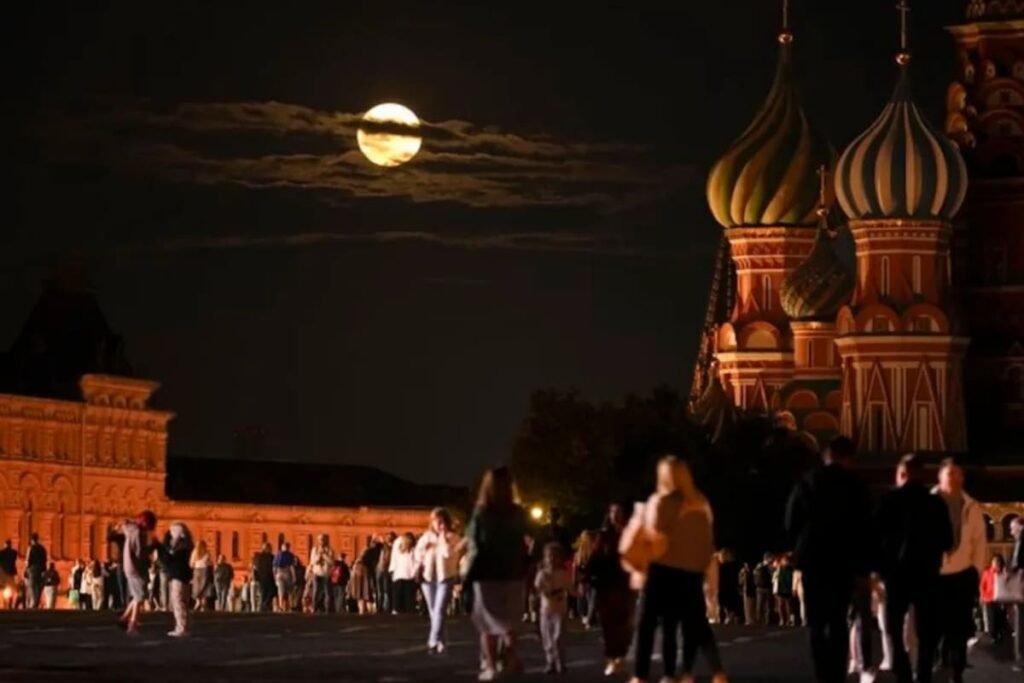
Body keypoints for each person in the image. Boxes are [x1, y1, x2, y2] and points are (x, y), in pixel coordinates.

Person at [631, 456, 727, 683]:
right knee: (690, 623)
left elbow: (650, 537)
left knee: (652, 623)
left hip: (663, 569)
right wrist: (710, 581)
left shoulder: (662, 501)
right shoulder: (699, 502)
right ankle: (687, 672)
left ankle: (649, 674)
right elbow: (706, 544)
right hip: (688, 572)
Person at [785, 436, 872, 683]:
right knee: (837, 620)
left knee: (815, 622)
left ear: (828, 455)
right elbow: (866, 527)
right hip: (844, 561)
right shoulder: (856, 485)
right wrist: (864, 566)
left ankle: (822, 674)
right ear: (849, 458)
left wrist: (798, 547)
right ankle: (836, 675)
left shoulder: (808, 481)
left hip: (813, 559)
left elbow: (791, 520)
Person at [876, 454, 953, 683]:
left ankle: (903, 673)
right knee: (927, 630)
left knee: (894, 627)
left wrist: (878, 567)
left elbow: (875, 537)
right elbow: (948, 541)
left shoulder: (888, 500)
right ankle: (924, 673)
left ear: (902, 474)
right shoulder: (935, 503)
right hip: (927, 573)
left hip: (896, 573)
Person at [463, 466, 530, 681]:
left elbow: (475, 544)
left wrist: (467, 576)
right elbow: (527, 540)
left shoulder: (482, 513)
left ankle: (491, 666)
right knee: (510, 623)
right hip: (513, 573)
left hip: (487, 573)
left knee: (487, 625)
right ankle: (511, 659)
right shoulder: (517, 513)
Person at [932, 458, 987, 683]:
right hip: (935, 573)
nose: (954, 478)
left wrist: (977, 572)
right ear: (940, 476)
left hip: (962, 573)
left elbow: (979, 542)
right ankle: (939, 663)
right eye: (950, 473)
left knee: (960, 626)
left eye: (958, 474)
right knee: (935, 624)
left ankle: (957, 669)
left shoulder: (971, 506)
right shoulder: (929, 502)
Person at [585, 503, 633, 676]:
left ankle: (621, 654)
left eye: (620, 512)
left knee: (625, 621)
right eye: (613, 512)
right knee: (609, 622)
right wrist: (589, 576)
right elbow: (595, 557)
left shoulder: (630, 533)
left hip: (626, 582)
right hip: (608, 583)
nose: (617, 515)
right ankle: (611, 656)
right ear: (609, 515)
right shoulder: (604, 536)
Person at [415, 507, 461, 654]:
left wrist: (443, 539)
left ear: (446, 522)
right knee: (433, 612)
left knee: (440, 610)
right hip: (427, 578)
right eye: (435, 521)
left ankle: (433, 641)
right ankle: (442, 643)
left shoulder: (453, 537)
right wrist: (425, 548)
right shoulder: (426, 536)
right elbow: (417, 554)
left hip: (445, 578)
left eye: (441, 521)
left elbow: (448, 554)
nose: (438, 524)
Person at [116, 510, 157, 634]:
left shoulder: (131, 530)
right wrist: (153, 547)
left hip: (130, 567)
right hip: (136, 567)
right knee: (139, 597)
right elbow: (140, 553)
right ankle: (132, 625)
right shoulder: (138, 533)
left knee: (137, 595)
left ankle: (124, 618)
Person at [535, 542, 571, 674]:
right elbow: (537, 588)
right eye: (549, 556)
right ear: (545, 558)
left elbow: (570, 588)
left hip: (560, 610)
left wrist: (577, 591)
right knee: (547, 637)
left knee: (558, 637)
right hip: (546, 610)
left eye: (556, 556)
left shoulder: (563, 574)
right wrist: (542, 591)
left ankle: (560, 661)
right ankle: (550, 662)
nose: (552, 559)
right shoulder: (542, 574)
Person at [157, 522, 194, 637]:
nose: (171, 534)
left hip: (178, 576)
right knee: (182, 602)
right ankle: (184, 626)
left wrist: (161, 549)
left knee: (178, 601)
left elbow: (169, 560)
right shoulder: (186, 544)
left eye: (173, 531)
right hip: (183, 576)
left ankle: (181, 628)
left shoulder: (179, 546)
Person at [1007, 516, 1023, 672]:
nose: (1011, 532)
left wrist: (1009, 574)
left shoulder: (1021, 542)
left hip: (1021, 588)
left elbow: (1016, 564)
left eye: (1013, 528)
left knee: (1020, 623)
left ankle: (1020, 659)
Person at [389, 533, 417, 614]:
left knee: (399, 597)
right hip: (406, 576)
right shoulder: (411, 549)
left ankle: (397, 610)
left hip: (401, 575)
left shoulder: (400, 546)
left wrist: (392, 571)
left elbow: (393, 559)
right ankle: (402, 611)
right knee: (407, 599)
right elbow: (414, 563)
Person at [979, 555, 1005, 641]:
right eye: (994, 561)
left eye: (998, 561)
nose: (996, 563)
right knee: (991, 617)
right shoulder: (987, 573)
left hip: (1000, 598)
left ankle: (999, 633)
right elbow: (982, 585)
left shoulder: (1003, 573)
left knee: (999, 617)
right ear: (992, 562)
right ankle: (992, 635)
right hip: (988, 598)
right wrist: (982, 595)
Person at [308, 535, 334, 613]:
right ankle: (314, 608)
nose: (322, 541)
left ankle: (327, 609)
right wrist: (318, 556)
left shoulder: (330, 550)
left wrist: (324, 555)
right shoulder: (314, 549)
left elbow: (332, 562)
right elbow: (312, 562)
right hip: (317, 573)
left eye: (323, 539)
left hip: (326, 573)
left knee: (327, 592)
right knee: (315, 591)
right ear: (318, 540)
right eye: (320, 539)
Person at [350, 546, 375, 615]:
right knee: (364, 595)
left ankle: (362, 612)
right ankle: (363, 612)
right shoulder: (365, 563)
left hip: (358, 578)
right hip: (363, 577)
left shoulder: (357, 562)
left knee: (360, 596)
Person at [25, 533, 47, 609]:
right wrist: (44, 570)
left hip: (32, 569)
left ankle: (34, 602)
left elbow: (28, 560)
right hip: (40, 569)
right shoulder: (42, 548)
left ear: (31, 540)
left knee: (32, 586)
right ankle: (36, 602)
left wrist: (26, 569)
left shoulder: (31, 548)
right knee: (38, 586)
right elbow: (44, 560)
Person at [375, 533, 396, 615]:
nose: (388, 539)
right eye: (387, 537)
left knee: (386, 590)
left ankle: (385, 608)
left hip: (386, 570)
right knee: (380, 590)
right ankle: (380, 607)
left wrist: (383, 541)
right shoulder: (383, 547)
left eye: (389, 537)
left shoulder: (392, 547)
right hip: (380, 569)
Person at [273, 542, 296, 612]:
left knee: (280, 591)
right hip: (287, 573)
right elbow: (291, 567)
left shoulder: (277, 555)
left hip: (279, 573)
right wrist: (294, 576)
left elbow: (274, 567)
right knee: (289, 591)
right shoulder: (290, 555)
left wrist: (274, 576)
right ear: (288, 548)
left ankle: (280, 607)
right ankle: (290, 607)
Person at [189, 540, 212, 611]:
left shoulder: (194, 552)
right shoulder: (207, 552)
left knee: (197, 587)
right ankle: (203, 604)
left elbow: (191, 564)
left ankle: (198, 601)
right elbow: (210, 563)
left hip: (197, 570)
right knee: (204, 587)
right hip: (204, 570)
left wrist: (196, 563)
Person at [253, 542, 275, 612]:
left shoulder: (257, 557)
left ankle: (262, 607)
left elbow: (255, 568)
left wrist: (255, 577)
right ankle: (264, 605)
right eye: (270, 548)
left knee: (263, 592)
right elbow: (273, 567)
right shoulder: (271, 557)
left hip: (261, 578)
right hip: (268, 577)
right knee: (270, 591)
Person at [753, 554, 774, 625]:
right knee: (767, 606)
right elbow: (771, 576)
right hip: (766, 588)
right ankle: (766, 621)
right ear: (768, 558)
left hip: (759, 588)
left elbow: (754, 574)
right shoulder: (769, 567)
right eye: (770, 558)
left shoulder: (758, 565)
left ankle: (759, 621)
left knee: (759, 605)